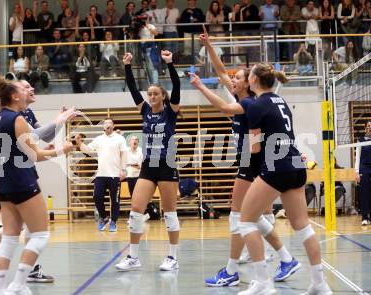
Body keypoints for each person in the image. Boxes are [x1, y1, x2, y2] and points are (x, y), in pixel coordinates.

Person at [191, 28, 300, 287]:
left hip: (253, 162)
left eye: (238, 77)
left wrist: (198, 86)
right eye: (235, 77)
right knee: (254, 217)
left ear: (247, 83)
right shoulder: (243, 95)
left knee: (237, 215)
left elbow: (222, 107)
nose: (233, 79)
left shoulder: (250, 103)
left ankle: (231, 270)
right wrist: (209, 45)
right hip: (250, 162)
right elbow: (220, 71)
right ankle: (286, 258)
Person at [236, 62, 332, 294]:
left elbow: (256, 148)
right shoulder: (281, 102)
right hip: (296, 164)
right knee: (303, 228)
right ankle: (320, 284)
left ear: (254, 81)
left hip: (276, 166)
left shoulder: (257, 105)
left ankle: (263, 282)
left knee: (246, 221)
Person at [0, 79, 77, 286]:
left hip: (5, 181)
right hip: (21, 178)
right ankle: (19, 283)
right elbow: (35, 150)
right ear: (14, 95)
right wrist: (61, 144)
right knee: (39, 234)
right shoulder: (16, 118)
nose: (30, 89)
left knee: (11, 234)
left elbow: (38, 137)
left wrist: (57, 123)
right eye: (24, 87)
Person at [115, 50, 181, 271]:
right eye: (149, 94)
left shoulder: (170, 112)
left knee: (169, 213)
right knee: (135, 210)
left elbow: (177, 86)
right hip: (148, 166)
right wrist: (127, 66)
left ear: (162, 96)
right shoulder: (144, 111)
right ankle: (133, 257)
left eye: (155, 94)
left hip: (167, 165)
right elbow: (133, 89)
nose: (151, 97)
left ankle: (172, 258)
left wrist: (169, 63)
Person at [76, 118, 127, 232]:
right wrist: (80, 143)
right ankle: (104, 218)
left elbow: (124, 154)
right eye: (105, 123)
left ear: (113, 126)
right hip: (101, 175)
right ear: (103, 126)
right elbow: (88, 150)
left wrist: (123, 169)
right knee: (97, 196)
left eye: (109, 123)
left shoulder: (120, 139)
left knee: (115, 200)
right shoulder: (99, 139)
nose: (107, 124)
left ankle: (113, 221)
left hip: (114, 175)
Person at [355, 121, 371, 225]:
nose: (370, 128)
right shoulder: (360, 141)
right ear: (365, 128)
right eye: (369, 126)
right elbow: (357, 157)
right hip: (364, 169)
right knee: (364, 193)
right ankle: (364, 217)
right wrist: (356, 172)